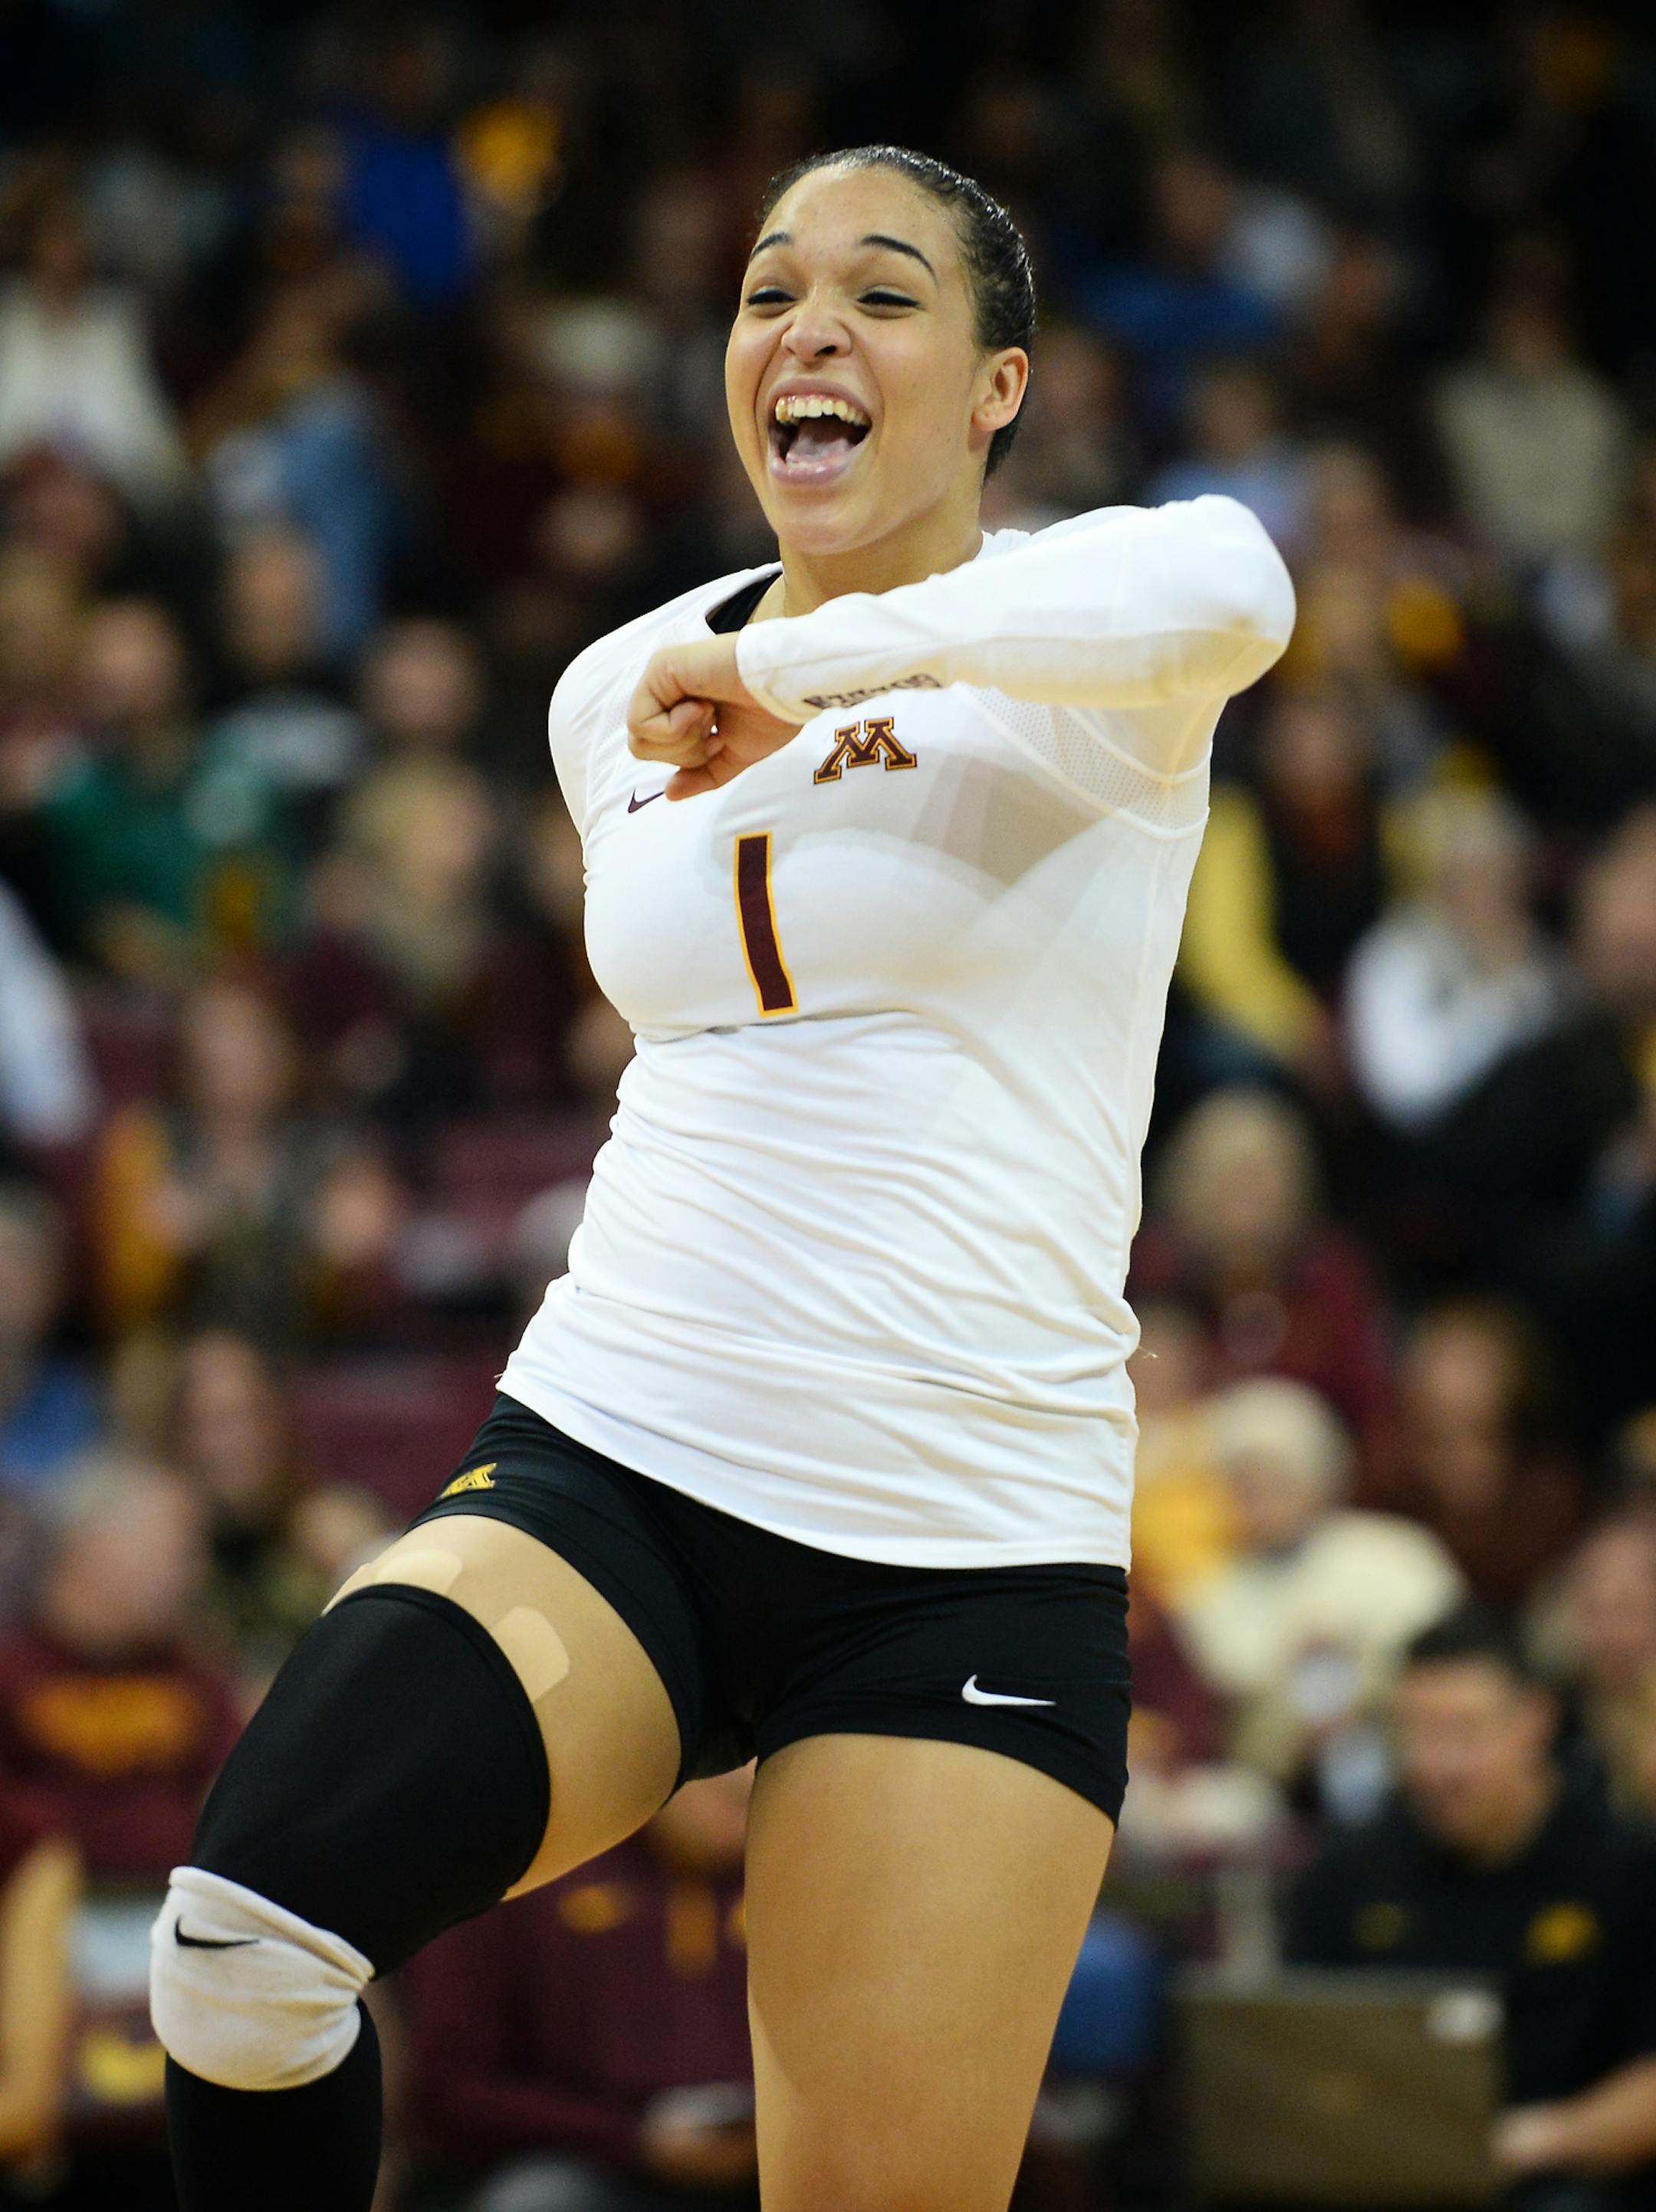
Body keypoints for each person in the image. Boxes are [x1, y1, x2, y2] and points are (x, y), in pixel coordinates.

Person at [149, 144, 1293, 2212]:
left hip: (961, 1545)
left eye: (880, 293)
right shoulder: (614, 685)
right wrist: (751, 657)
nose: (808, 331)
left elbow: (1240, 579)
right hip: (626, 1451)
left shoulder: (1098, 669)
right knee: (243, 1948)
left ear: (999, 385)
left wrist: (804, 669)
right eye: (769, 292)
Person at [1287, 1606, 1656, 2211]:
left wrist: (1537, 2139)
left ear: (1535, 1721)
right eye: (1416, 1733)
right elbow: (1294, 2042)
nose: (1439, 1766)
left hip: (1561, 2177)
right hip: (1379, 2167)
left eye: (1464, 1732)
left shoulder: (1624, 1869)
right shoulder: (1351, 1870)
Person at [402, 1770, 756, 2212]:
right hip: (585, 2164)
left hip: (770, 2165)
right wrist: (634, 2138)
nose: (744, 1782)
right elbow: (447, 2088)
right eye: (729, 1761)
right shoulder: (524, 1868)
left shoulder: (810, 1878)